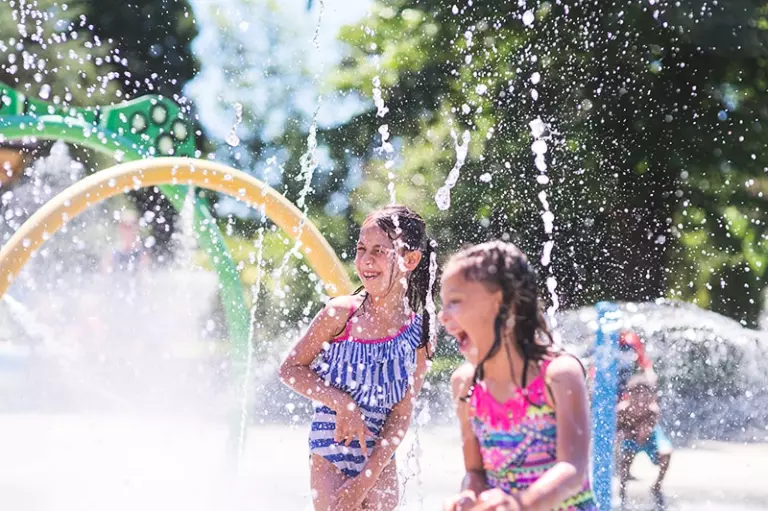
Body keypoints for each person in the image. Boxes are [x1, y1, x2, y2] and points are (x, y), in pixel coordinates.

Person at [278, 205, 438, 511]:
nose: (366, 260)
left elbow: (401, 414)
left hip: (379, 461)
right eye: (361, 248)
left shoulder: (419, 334)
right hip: (332, 449)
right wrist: (343, 403)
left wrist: (366, 478)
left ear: (410, 260)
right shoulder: (341, 314)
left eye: (379, 250)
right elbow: (291, 369)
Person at [440, 241, 597, 511]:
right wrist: (469, 495)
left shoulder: (558, 375)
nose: (442, 316)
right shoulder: (466, 385)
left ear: (503, 304)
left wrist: (519, 505)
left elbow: (573, 468)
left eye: (454, 302)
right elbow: (476, 472)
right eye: (443, 304)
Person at [617, 375, 673, 510]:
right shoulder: (622, 410)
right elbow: (617, 431)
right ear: (628, 396)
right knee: (625, 460)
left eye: (645, 395)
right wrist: (626, 434)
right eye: (636, 394)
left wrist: (642, 432)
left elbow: (647, 433)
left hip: (650, 438)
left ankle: (657, 486)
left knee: (666, 453)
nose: (640, 399)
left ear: (651, 397)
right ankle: (622, 489)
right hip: (630, 439)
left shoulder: (652, 411)